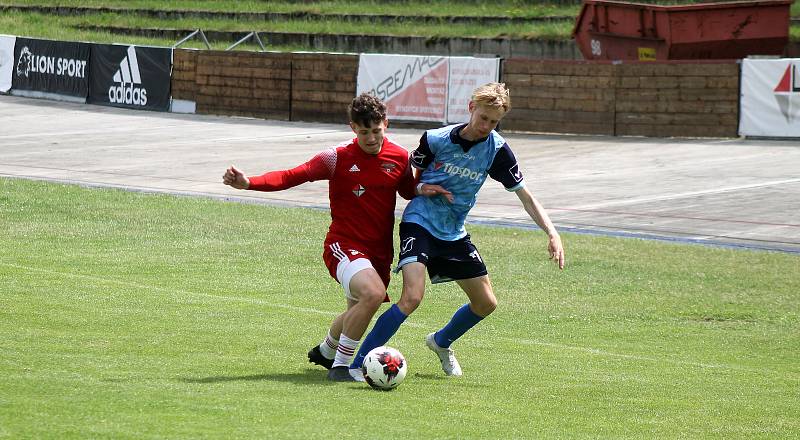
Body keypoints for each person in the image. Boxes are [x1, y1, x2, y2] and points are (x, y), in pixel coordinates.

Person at [222, 93, 449, 382]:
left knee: (359, 309)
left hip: (379, 252)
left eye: (376, 130)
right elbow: (293, 175)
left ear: (386, 124)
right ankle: (341, 368)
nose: (370, 138)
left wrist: (421, 189)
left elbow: (407, 189)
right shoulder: (336, 157)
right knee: (372, 294)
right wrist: (249, 183)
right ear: (353, 128)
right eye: (364, 131)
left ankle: (327, 351)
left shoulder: (400, 157)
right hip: (343, 245)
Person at [350, 83, 565, 376]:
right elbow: (411, 185)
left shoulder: (497, 150)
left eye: (494, 122)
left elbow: (525, 196)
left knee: (486, 303)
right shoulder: (436, 139)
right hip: (420, 222)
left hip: (453, 232)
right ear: (471, 109)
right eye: (483, 118)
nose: (486, 126)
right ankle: (357, 364)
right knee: (412, 297)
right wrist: (425, 187)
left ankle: (440, 342)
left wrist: (552, 233)